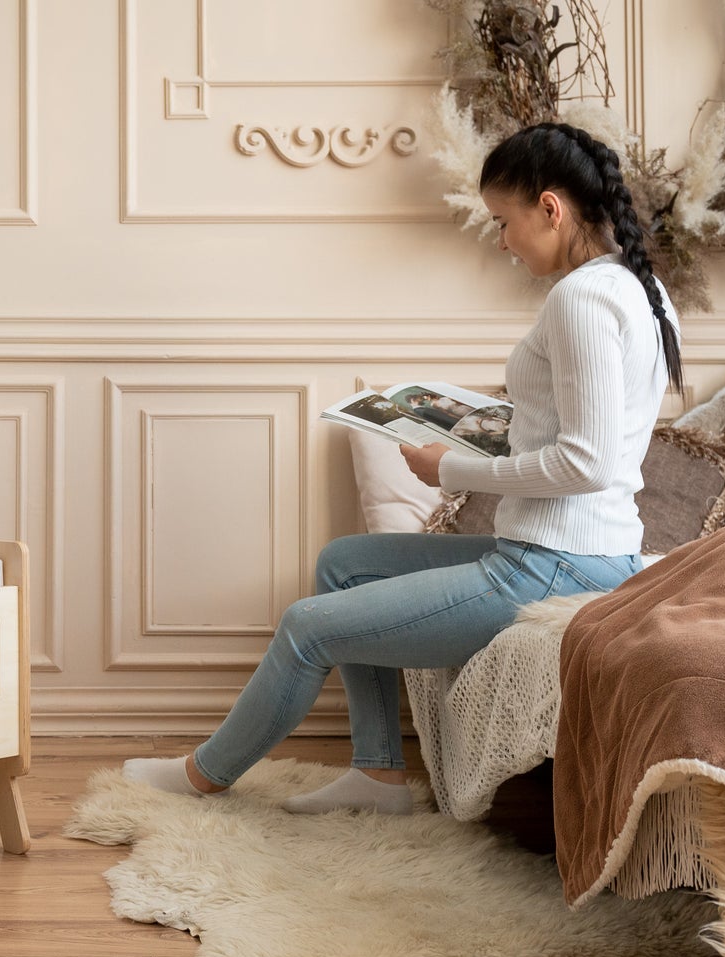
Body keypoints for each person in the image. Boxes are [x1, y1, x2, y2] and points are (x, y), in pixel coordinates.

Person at [124, 121, 683, 814]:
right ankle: (377, 774)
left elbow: (588, 464)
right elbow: (585, 438)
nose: (502, 242)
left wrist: (453, 470)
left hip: (559, 564)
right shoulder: (639, 290)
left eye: (502, 222)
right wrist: (483, 432)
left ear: (550, 208)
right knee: (344, 563)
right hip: (561, 551)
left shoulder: (582, 298)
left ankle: (203, 775)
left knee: (306, 624)